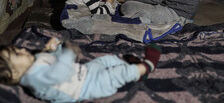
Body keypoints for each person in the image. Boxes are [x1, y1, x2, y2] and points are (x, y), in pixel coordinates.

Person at [0, 38, 161, 102]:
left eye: (17, 48)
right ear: (14, 73)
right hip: (84, 88)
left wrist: (54, 49)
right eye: (16, 54)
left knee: (105, 60)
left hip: (84, 71)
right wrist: (68, 53)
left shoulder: (34, 62)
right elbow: (59, 73)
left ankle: (134, 72)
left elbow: (52, 61)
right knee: (112, 76)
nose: (21, 50)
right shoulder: (32, 78)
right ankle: (145, 67)